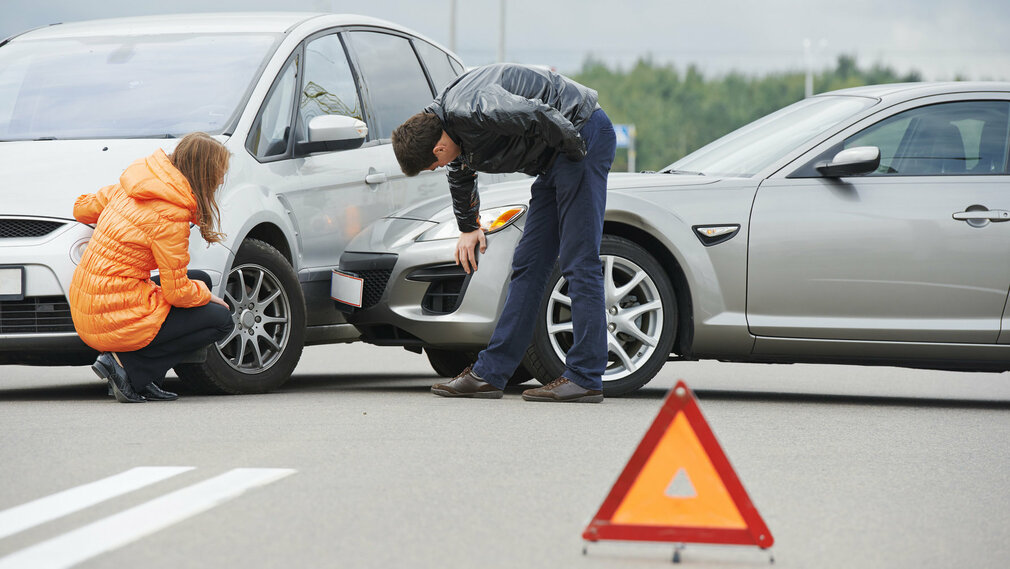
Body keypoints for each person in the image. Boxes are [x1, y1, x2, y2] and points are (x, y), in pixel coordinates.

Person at [392, 63, 616, 403]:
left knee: (578, 259)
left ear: (437, 148)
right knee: (528, 263)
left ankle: (585, 377)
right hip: (557, 157)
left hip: (580, 137)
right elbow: (461, 171)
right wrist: (468, 227)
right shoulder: (447, 123)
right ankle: (491, 374)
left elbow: (538, 114)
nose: (438, 167)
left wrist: (576, 156)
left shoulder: (475, 108)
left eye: (432, 165)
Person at [69, 132, 234, 403]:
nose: (221, 181)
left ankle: (143, 378)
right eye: (220, 173)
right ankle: (128, 368)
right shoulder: (172, 214)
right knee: (221, 319)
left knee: (200, 278)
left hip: (88, 301)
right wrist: (207, 295)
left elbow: (81, 208)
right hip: (112, 313)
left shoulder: (135, 184)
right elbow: (177, 293)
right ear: (205, 174)